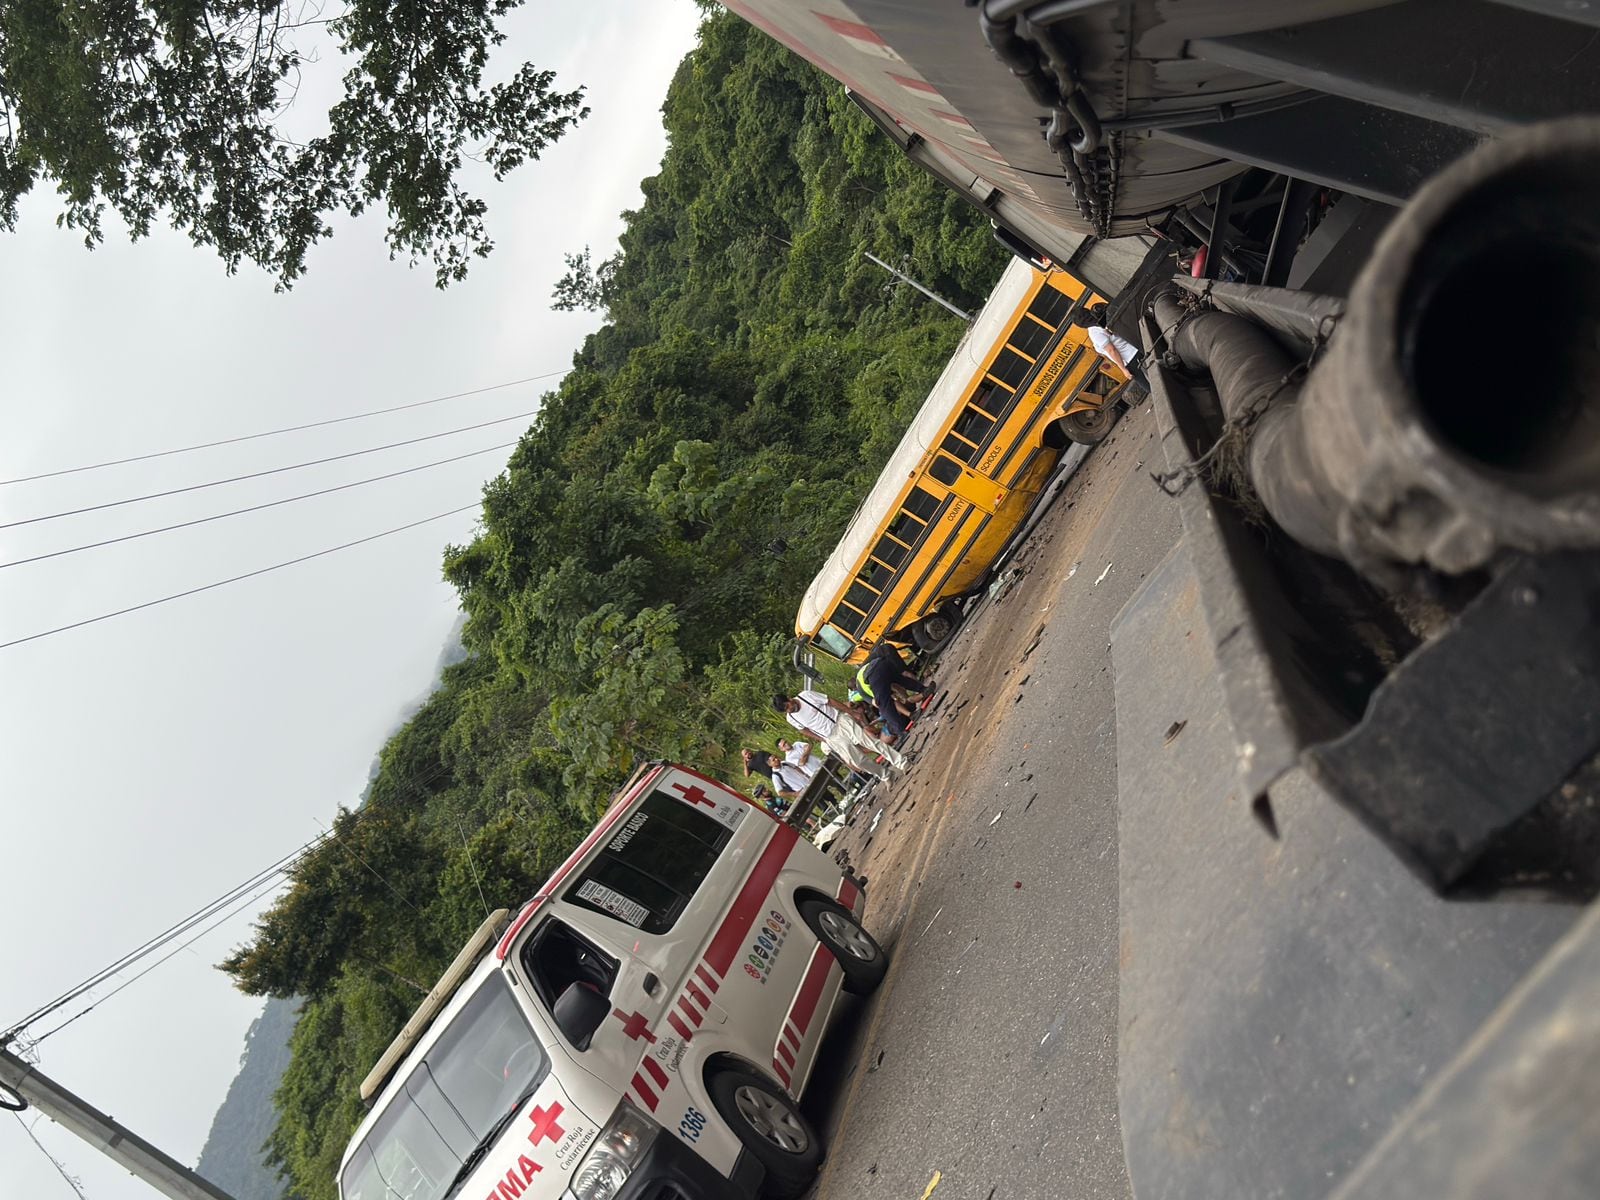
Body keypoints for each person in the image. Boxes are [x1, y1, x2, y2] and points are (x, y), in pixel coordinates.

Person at [774, 688, 909, 778]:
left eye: (788, 706)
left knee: (871, 743)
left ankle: (901, 762)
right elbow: (803, 730)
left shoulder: (806, 696)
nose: (789, 710)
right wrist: (822, 739)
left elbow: (830, 701)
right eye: (786, 710)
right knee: (857, 761)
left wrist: (851, 712)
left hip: (839, 721)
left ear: (789, 699)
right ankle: (885, 774)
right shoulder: (791, 718)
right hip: (830, 737)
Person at [857, 643, 934, 741]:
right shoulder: (861, 678)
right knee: (901, 680)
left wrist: (907, 712)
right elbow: (896, 687)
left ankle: (901, 730)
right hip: (883, 662)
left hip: (874, 673)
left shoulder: (863, 692)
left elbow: (882, 704)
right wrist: (905, 698)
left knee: (885, 706)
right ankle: (923, 690)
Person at [1079, 309, 1147, 390]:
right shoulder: (1103, 317)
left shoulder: (1094, 332)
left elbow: (1111, 350)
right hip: (1139, 347)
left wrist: (1123, 369)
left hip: (1132, 361)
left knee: (1153, 386)